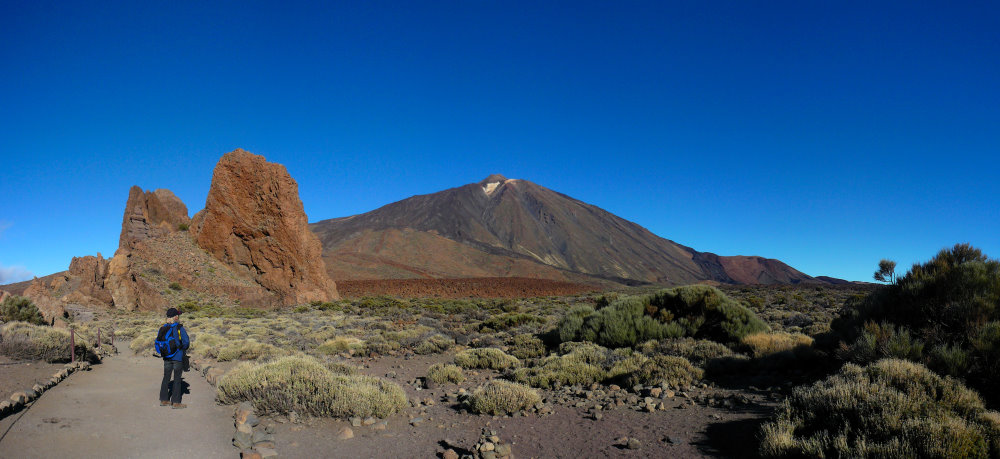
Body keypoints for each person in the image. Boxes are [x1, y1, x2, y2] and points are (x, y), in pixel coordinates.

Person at [158, 307, 190, 409]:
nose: (178, 316)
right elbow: (186, 342)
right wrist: (182, 349)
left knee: (166, 377)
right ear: (175, 317)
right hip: (177, 357)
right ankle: (176, 402)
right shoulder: (179, 328)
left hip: (166, 357)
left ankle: (164, 400)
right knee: (177, 379)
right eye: (178, 315)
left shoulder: (163, 328)